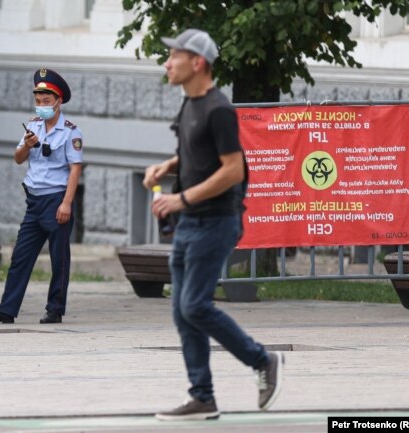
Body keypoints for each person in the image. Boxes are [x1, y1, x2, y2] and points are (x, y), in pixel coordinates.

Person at [143, 29, 284, 420]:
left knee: (194, 305)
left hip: (216, 221)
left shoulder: (219, 108)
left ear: (198, 62)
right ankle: (202, 397)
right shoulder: (189, 104)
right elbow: (191, 152)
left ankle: (262, 360)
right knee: (181, 311)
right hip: (191, 222)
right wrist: (167, 167)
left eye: (174, 56)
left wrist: (181, 198)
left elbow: (233, 170)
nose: (167, 63)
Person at [0, 68, 83, 325]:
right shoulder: (33, 126)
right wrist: (26, 144)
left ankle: (54, 309)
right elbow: (18, 159)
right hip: (34, 201)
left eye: (47, 101)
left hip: (56, 200)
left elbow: (75, 169)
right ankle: (6, 309)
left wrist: (67, 203)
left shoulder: (71, 132)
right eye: (38, 101)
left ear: (58, 101)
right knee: (20, 256)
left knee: (59, 259)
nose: (42, 105)